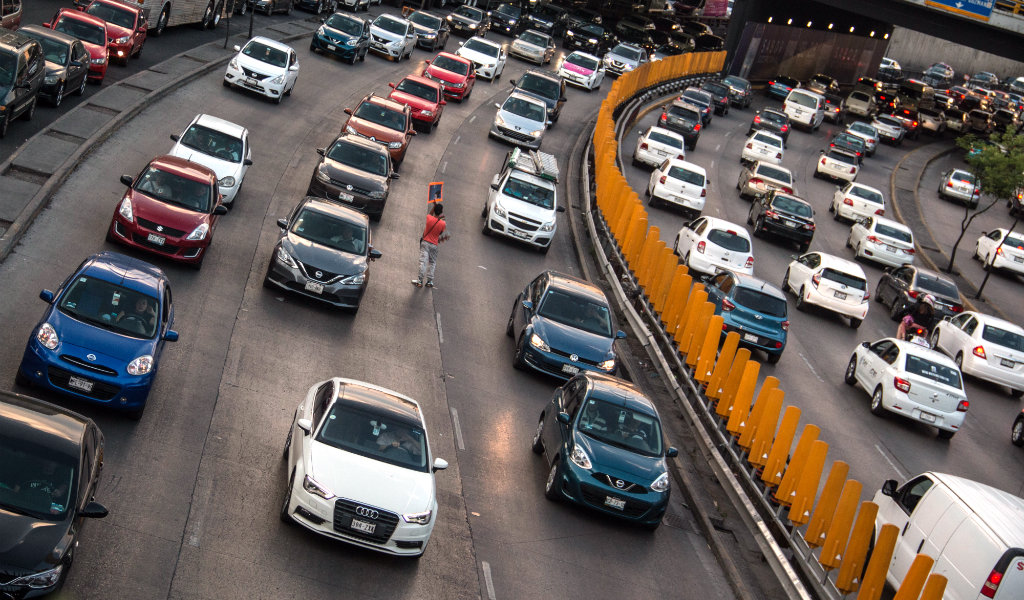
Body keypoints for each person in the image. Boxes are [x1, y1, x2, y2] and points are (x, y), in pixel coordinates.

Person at [412, 203, 449, 288]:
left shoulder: (429, 218)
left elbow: (430, 213)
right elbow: (440, 233)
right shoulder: (443, 224)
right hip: (434, 245)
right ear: (441, 212)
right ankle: (429, 281)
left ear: (434, 210)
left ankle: (420, 280)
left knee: (423, 261)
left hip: (425, 243)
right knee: (432, 262)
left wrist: (434, 205)